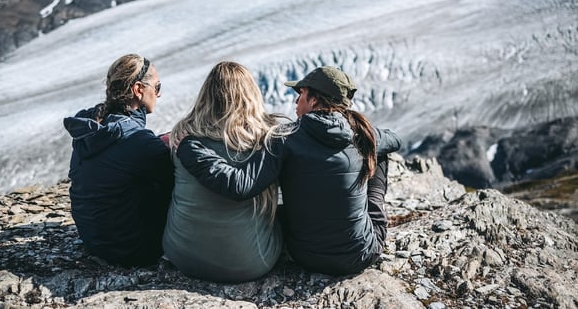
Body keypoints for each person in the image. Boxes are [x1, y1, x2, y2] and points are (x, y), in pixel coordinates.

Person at [177, 66, 401, 276]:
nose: (296, 100)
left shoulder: (285, 138)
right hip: (362, 253)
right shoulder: (360, 135)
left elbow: (240, 185)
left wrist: (190, 149)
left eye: (301, 94)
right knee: (378, 153)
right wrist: (366, 138)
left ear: (313, 100)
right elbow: (394, 139)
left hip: (306, 256)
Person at [162, 61, 287, 282]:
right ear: (251, 96)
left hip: (181, 254)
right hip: (248, 263)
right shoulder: (265, 141)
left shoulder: (182, 136)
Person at [63, 54, 174, 267]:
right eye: (157, 87)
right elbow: (175, 179)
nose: (158, 95)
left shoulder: (89, 127)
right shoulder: (136, 140)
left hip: (94, 240)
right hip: (132, 249)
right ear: (139, 90)